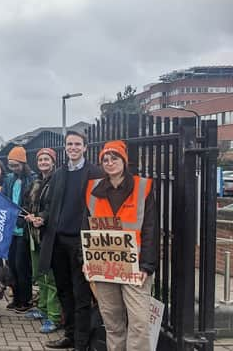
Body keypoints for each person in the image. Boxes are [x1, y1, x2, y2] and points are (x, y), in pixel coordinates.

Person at [85, 140, 157, 351]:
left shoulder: (143, 187)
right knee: (112, 324)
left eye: (114, 157)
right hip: (104, 266)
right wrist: (86, 261)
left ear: (124, 160)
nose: (109, 162)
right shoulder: (92, 190)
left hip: (136, 267)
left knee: (140, 323)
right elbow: (86, 228)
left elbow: (151, 228)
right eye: (105, 159)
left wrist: (147, 265)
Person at [35, 131, 104, 350]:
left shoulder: (95, 173)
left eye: (77, 144)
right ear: (65, 148)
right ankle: (71, 336)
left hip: (81, 243)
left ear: (85, 147)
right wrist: (42, 218)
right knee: (64, 291)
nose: (73, 147)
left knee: (81, 295)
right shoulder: (60, 174)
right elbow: (49, 206)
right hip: (57, 241)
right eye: (69, 144)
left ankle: (81, 344)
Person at [24, 148, 61, 334]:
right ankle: (43, 308)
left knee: (51, 276)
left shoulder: (57, 181)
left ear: (53, 161)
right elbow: (27, 202)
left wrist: (42, 218)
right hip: (34, 234)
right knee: (40, 274)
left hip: (49, 234)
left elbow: (54, 206)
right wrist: (28, 214)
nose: (44, 162)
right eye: (41, 159)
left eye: (47, 159)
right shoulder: (36, 181)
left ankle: (54, 316)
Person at [1, 146, 36, 314]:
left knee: (23, 266)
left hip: (23, 229)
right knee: (12, 265)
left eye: (16, 165)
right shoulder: (9, 179)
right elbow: (3, 197)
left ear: (23, 163)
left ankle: (25, 299)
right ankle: (16, 297)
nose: (13, 168)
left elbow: (33, 202)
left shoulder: (32, 179)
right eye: (11, 165)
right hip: (10, 228)